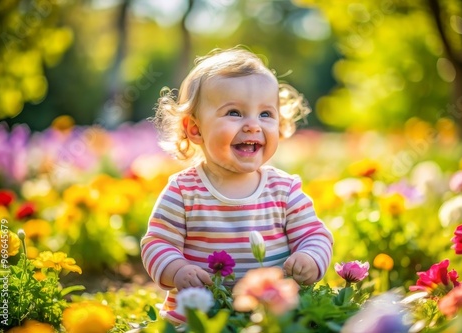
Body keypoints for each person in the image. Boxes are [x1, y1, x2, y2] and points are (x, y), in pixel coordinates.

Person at [141, 46, 334, 325]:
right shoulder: (183, 192)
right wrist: (177, 269)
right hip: (200, 315)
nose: (253, 126)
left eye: (266, 114)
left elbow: (315, 235)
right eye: (234, 112)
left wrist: (310, 257)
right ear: (195, 129)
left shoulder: (285, 190)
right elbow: (157, 243)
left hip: (270, 314)